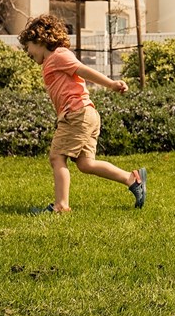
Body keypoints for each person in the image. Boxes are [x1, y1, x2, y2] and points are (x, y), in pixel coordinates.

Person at [17, 14, 147, 213]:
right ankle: (132, 179)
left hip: (77, 113)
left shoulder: (58, 55)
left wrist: (111, 84)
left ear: (40, 39)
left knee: (57, 157)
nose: (27, 51)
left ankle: (61, 206)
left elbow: (83, 70)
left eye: (28, 46)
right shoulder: (51, 61)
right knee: (86, 164)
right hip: (84, 114)